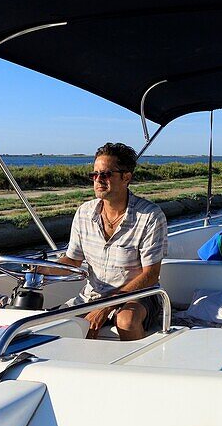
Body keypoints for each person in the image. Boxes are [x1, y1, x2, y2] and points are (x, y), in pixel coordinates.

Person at [54, 142, 168, 340]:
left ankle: (136, 367)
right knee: (51, 325)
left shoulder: (150, 216)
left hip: (139, 296)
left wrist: (107, 306)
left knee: (126, 320)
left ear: (126, 177)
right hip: (93, 296)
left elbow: (151, 275)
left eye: (105, 174)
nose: (98, 180)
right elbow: (72, 261)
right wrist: (37, 271)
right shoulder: (84, 213)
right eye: (94, 175)